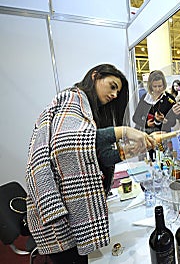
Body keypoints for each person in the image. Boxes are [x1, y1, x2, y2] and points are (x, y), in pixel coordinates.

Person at [25, 64, 156, 263]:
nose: (114, 94)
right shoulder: (71, 98)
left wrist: (127, 152)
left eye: (117, 92)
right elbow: (66, 144)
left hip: (69, 212)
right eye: (112, 86)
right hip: (59, 213)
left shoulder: (90, 114)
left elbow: (98, 156)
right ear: (95, 76)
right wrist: (123, 131)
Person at [132, 70, 177, 161]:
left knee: (165, 161)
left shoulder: (169, 99)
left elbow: (173, 122)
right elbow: (135, 117)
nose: (157, 89)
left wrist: (164, 120)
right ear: (150, 86)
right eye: (154, 86)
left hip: (162, 137)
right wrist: (146, 124)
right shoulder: (145, 98)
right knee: (148, 162)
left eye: (160, 86)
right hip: (146, 137)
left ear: (164, 85)